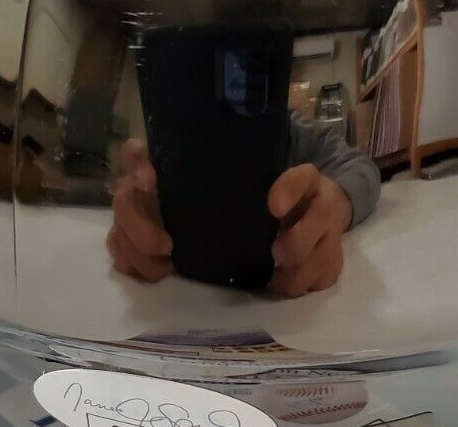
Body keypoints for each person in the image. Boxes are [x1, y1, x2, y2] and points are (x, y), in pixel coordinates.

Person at [108, 114, 381, 297]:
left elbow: (361, 168)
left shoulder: (298, 133)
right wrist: (141, 203)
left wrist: (337, 201)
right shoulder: (180, 139)